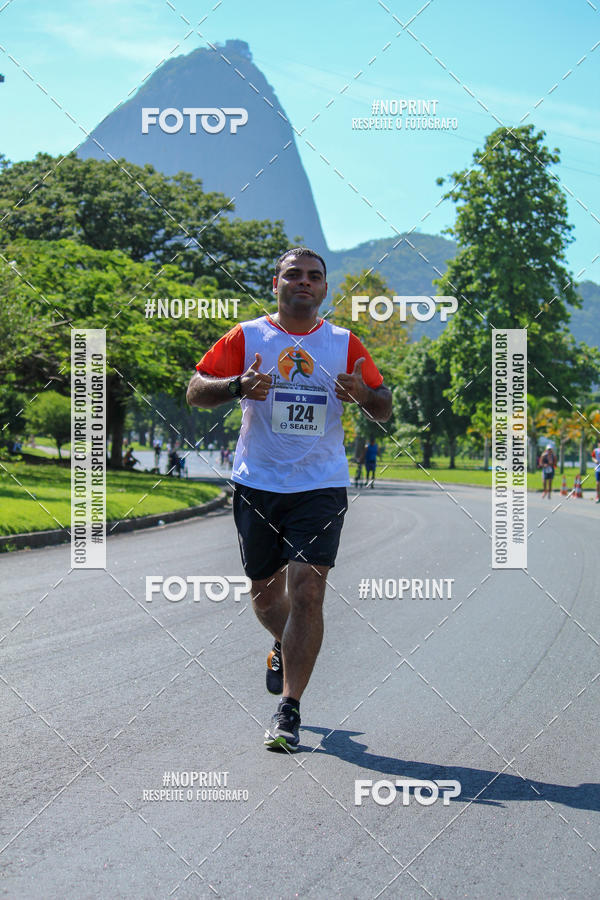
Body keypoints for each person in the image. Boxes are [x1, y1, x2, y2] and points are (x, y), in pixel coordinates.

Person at [186, 247, 392, 751]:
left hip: (320, 485)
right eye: (293, 275)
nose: (304, 282)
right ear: (275, 283)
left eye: (314, 277)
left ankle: (289, 710)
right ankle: (283, 643)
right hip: (258, 482)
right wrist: (237, 385)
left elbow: (384, 406)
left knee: (307, 591)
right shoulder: (248, 336)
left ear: (324, 289)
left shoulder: (345, 344)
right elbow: (195, 389)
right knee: (264, 595)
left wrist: (362, 395)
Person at [591, 439, 600, 503]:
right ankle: (597, 496)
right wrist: (595, 460)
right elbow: (593, 457)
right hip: (598, 469)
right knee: (597, 483)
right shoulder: (596, 450)